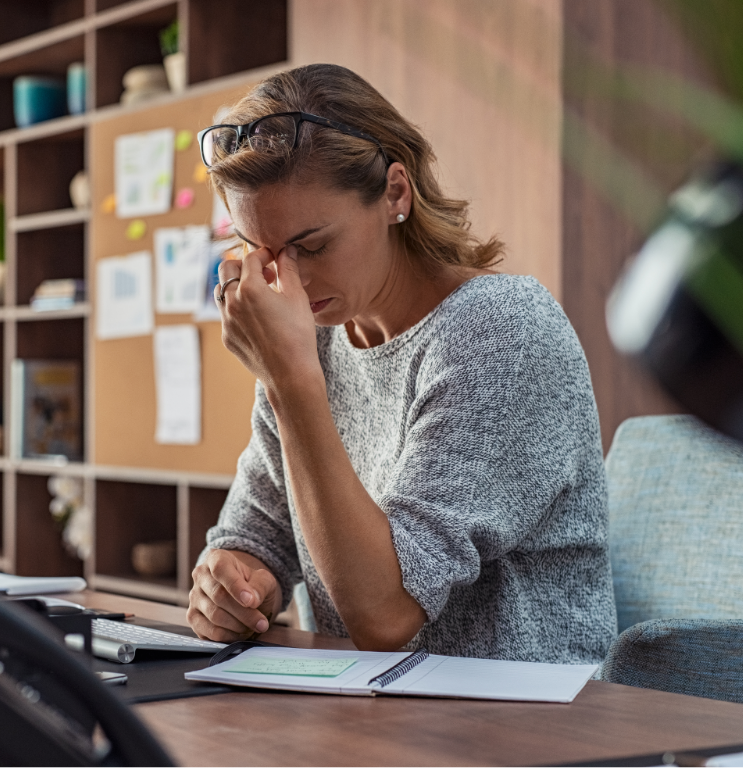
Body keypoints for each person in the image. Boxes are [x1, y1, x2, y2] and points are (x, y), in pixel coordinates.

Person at [186, 64, 615, 662]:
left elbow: (386, 614)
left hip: (523, 724)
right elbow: (258, 532)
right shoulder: (316, 342)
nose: (289, 280)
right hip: (372, 716)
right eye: (263, 252)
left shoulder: (501, 332)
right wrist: (232, 582)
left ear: (395, 193)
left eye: (312, 246)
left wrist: (289, 381)